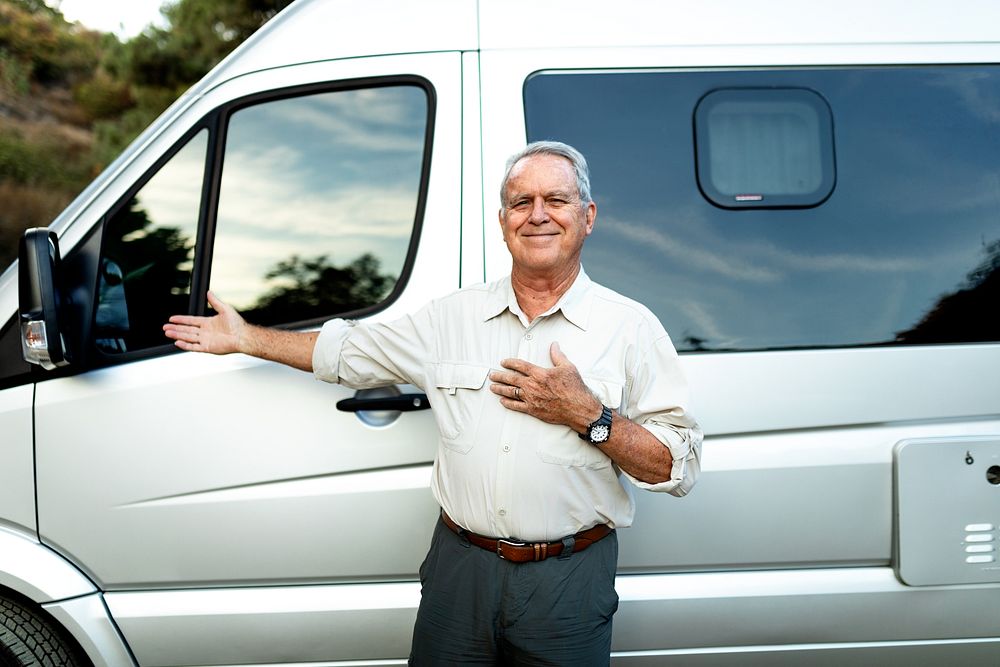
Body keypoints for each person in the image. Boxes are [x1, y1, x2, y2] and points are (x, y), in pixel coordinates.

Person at [163, 141, 702, 665]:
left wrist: (589, 415)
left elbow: (676, 466)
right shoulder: (452, 317)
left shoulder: (630, 328)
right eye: (521, 202)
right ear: (502, 220)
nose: (537, 215)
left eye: (555, 201)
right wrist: (245, 338)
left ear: (587, 217)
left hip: (567, 579)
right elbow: (347, 352)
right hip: (458, 571)